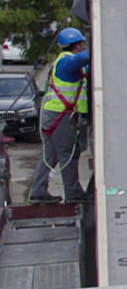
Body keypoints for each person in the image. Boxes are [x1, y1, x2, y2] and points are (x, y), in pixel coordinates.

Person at [29, 27, 89, 204]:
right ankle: (73, 193)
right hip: (60, 116)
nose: (84, 46)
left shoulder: (65, 63)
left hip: (52, 115)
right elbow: (87, 57)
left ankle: (38, 191)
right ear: (76, 46)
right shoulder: (67, 62)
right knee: (68, 154)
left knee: (51, 155)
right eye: (82, 44)